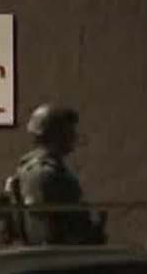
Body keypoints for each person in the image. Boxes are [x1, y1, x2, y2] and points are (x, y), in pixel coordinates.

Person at [11, 103, 105, 246]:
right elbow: (46, 231)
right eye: (69, 130)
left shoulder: (40, 168)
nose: (74, 136)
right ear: (55, 134)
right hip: (58, 259)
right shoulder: (44, 173)